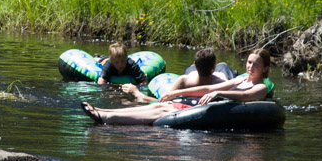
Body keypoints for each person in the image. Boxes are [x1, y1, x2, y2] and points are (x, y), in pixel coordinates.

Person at [80, 48, 273, 125]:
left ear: (265, 68)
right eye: (249, 62)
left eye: (256, 64)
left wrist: (218, 93)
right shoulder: (240, 80)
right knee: (157, 105)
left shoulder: (261, 87)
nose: (250, 67)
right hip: (204, 105)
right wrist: (179, 92)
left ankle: (107, 117)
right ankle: (102, 111)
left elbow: (246, 98)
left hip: (211, 110)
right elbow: (206, 89)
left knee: (161, 109)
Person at [122, 47, 236, 102]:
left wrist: (136, 92)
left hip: (195, 78)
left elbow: (160, 101)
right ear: (214, 68)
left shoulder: (184, 81)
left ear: (195, 65)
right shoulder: (224, 83)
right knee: (224, 65)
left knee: (193, 69)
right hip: (214, 77)